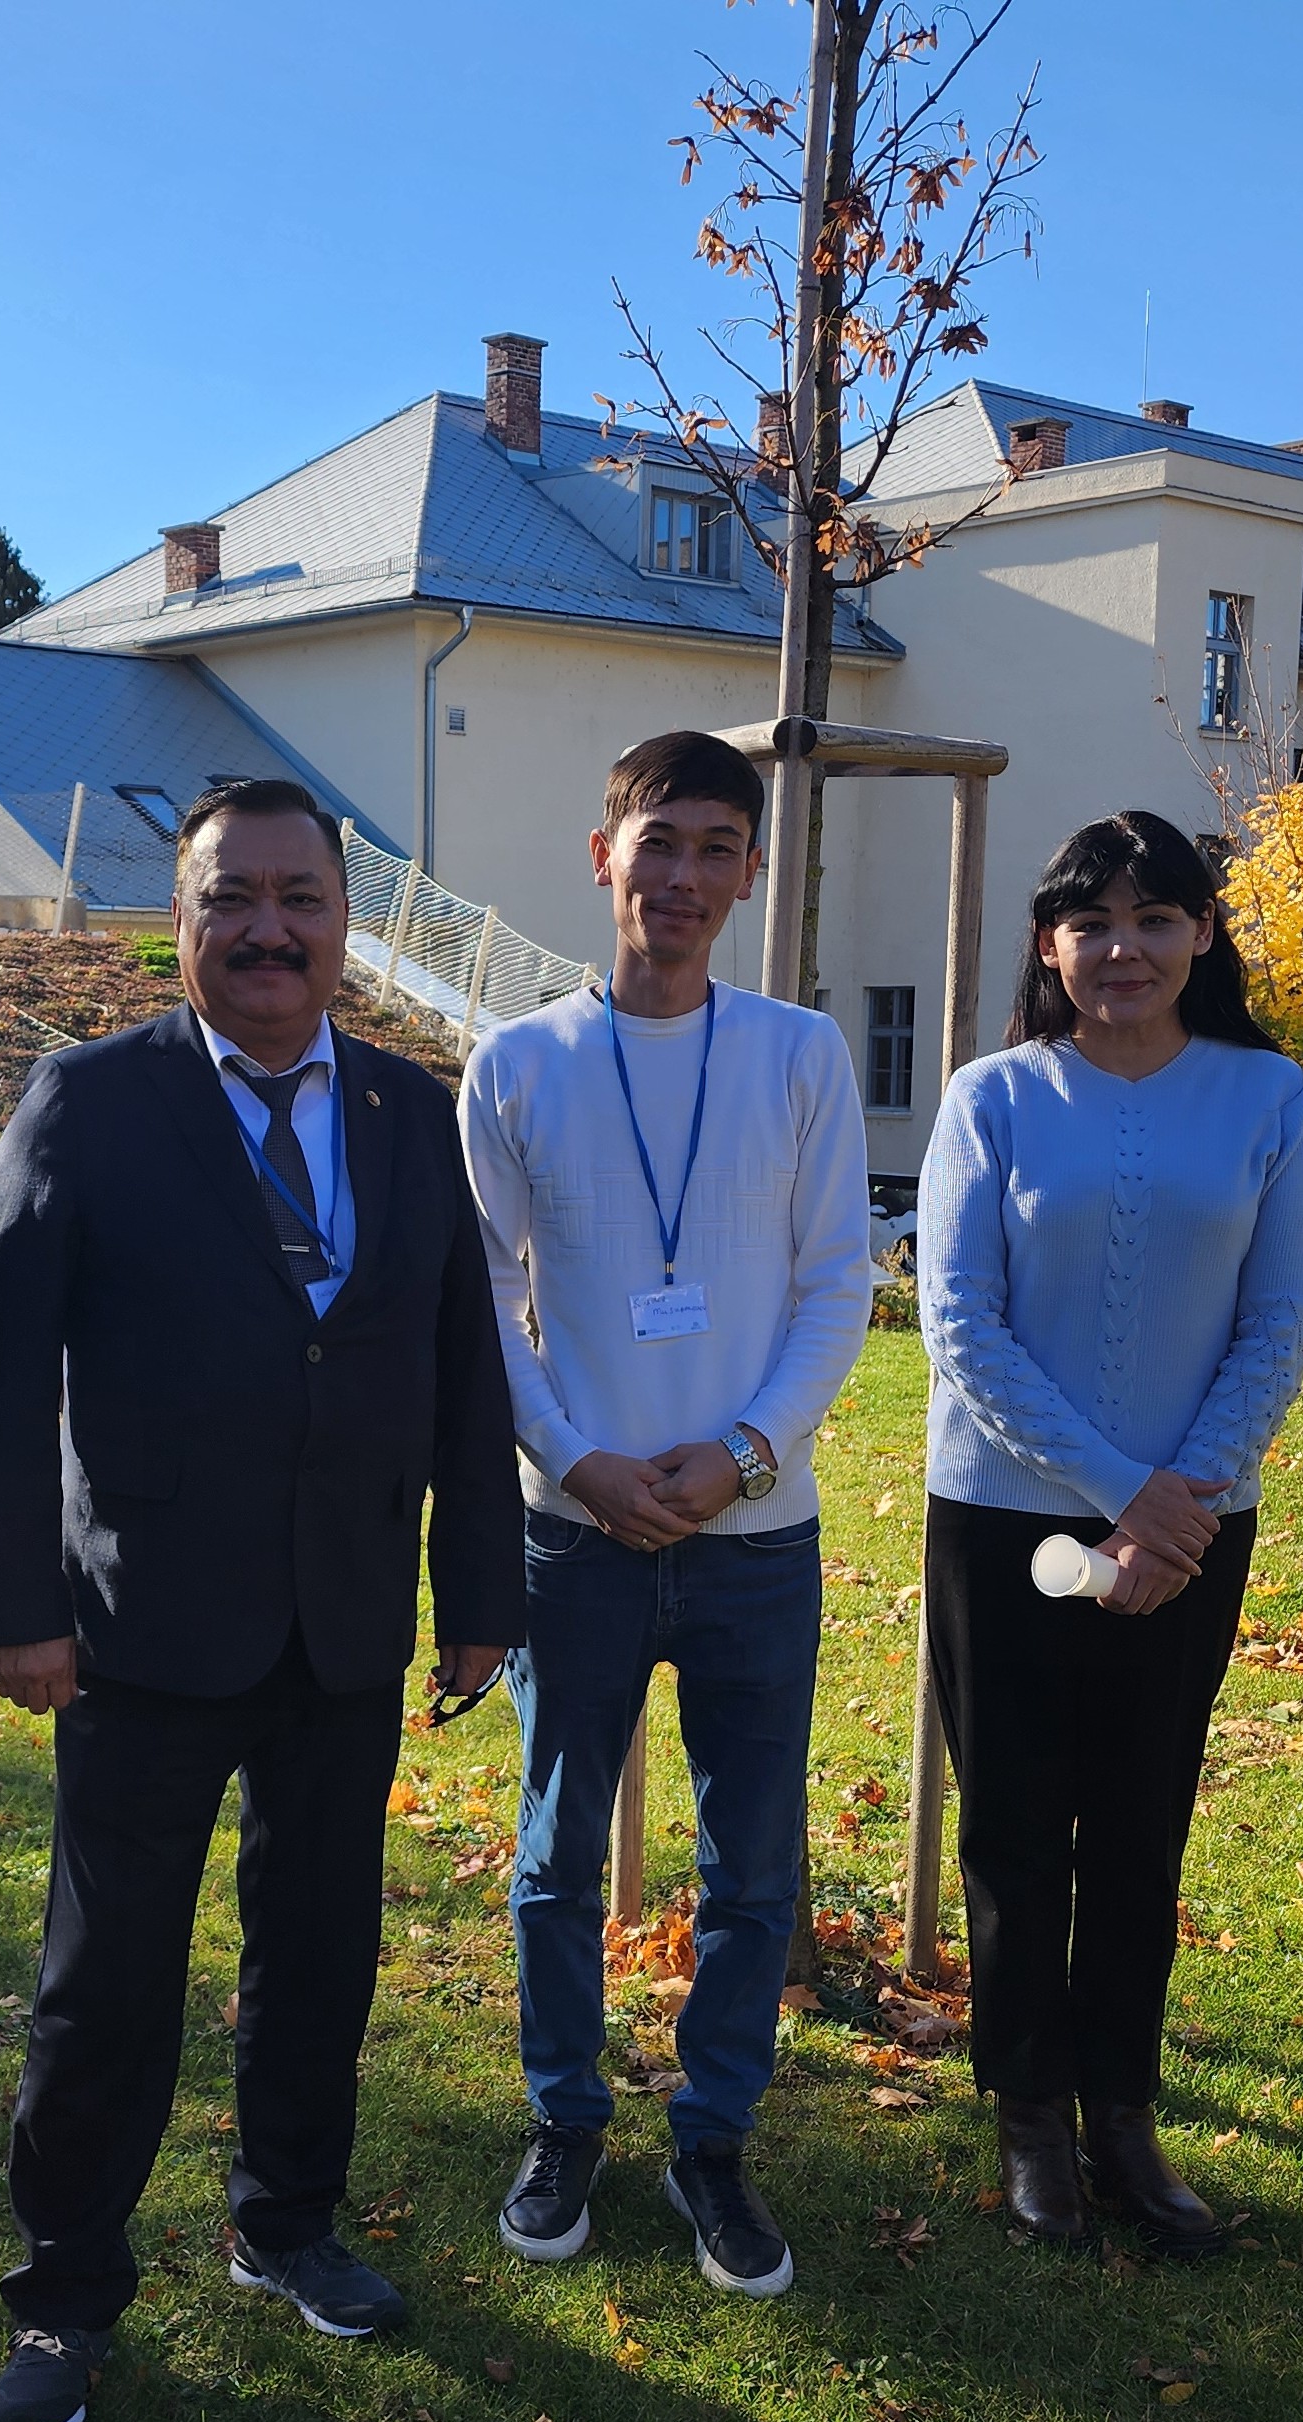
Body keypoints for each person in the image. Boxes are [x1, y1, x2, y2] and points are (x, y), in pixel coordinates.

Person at [0, 775, 523, 2422]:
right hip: (138, 1628)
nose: (270, 930)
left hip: (342, 1625)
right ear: (180, 920)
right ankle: (63, 2295)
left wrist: (478, 1591)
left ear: (347, 919)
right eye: (231, 900)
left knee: (320, 1956)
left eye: (301, 898)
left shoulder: (420, 1113)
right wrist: (21, 1607)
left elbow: (455, 1359)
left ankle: (287, 2224)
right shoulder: (85, 1101)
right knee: (107, 1978)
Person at [458, 731, 871, 2294]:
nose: (684, 875)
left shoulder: (798, 1055)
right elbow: (483, 1295)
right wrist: (574, 1458)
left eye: (717, 846)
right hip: (576, 1531)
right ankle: (566, 2119)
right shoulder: (519, 1064)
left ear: (751, 872)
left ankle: (714, 2139)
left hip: (757, 1537)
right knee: (559, 1855)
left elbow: (840, 1282)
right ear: (602, 853)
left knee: (751, 1867)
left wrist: (746, 1453)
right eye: (659, 842)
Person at [917, 811, 1303, 2255]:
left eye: (1157, 919)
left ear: (1204, 937)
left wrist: (1181, 1504)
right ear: (1048, 944)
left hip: (1191, 1537)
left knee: (1141, 1830)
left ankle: (1122, 2116)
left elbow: (1278, 1327)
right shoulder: (991, 1098)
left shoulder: (1271, 1099)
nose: (1124, 948)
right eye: (1092, 922)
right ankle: (1029, 2112)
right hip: (1004, 1523)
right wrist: (1120, 1489)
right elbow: (960, 1323)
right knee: (1019, 1826)